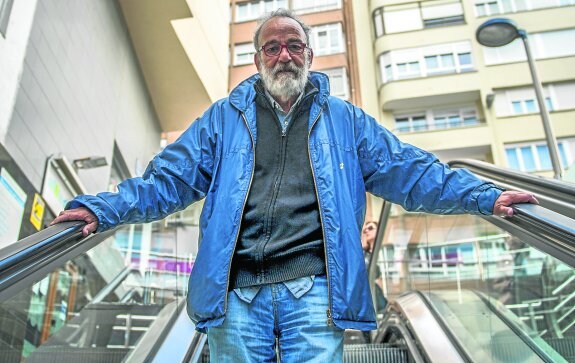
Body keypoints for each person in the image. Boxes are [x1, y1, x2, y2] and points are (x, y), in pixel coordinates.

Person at [51, 8, 538, 362]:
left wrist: (485, 195)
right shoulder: (224, 119)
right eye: (273, 47)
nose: (284, 55)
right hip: (237, 294)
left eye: (294, 46)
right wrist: (103, 209)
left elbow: (411, 170)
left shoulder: (345, 120)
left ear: (309, 54)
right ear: (258, 57)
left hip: (315, 293)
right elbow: (166, 181)